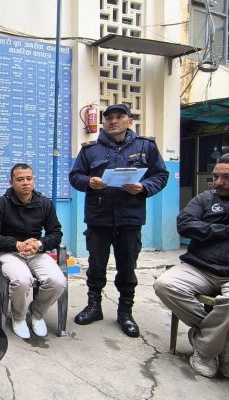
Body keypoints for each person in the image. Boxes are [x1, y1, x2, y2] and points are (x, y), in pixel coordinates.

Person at [69, 103, 169, 337]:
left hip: (130, 218)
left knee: (127, 267)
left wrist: (144, 187)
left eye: (119, 117)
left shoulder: (145, 146)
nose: (113, 121)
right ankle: (94, 307)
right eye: (109, 118)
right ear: (103, 122)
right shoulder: (90, 150)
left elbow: (161, 175)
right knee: (96, 265)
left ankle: (125, 312)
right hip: (99, 217)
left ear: (129, 121)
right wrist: (88, 182)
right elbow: (75, 176)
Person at [154, 154, 229, 378]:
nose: (218, 182)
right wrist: (222, 230)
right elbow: (185, 225)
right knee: (164, 285)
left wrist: (207, 228)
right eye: (216, 176)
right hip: (199, 267)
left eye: (226, 177)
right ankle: (218, 340)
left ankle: (205, 350)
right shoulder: (204, 199)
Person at [0, 163, 66, 339]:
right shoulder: (1, 204)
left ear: (34, 180)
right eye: (20, 179)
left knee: (58, 281)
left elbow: (56, 233)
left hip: (36, 251)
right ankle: (19, 317)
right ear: (11, 182)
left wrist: (40, 244)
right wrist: (17, 244)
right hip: (9, 252)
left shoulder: (44, 203)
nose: (25, 183)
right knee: (22, 280)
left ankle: (37, 313)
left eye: (29, 178)